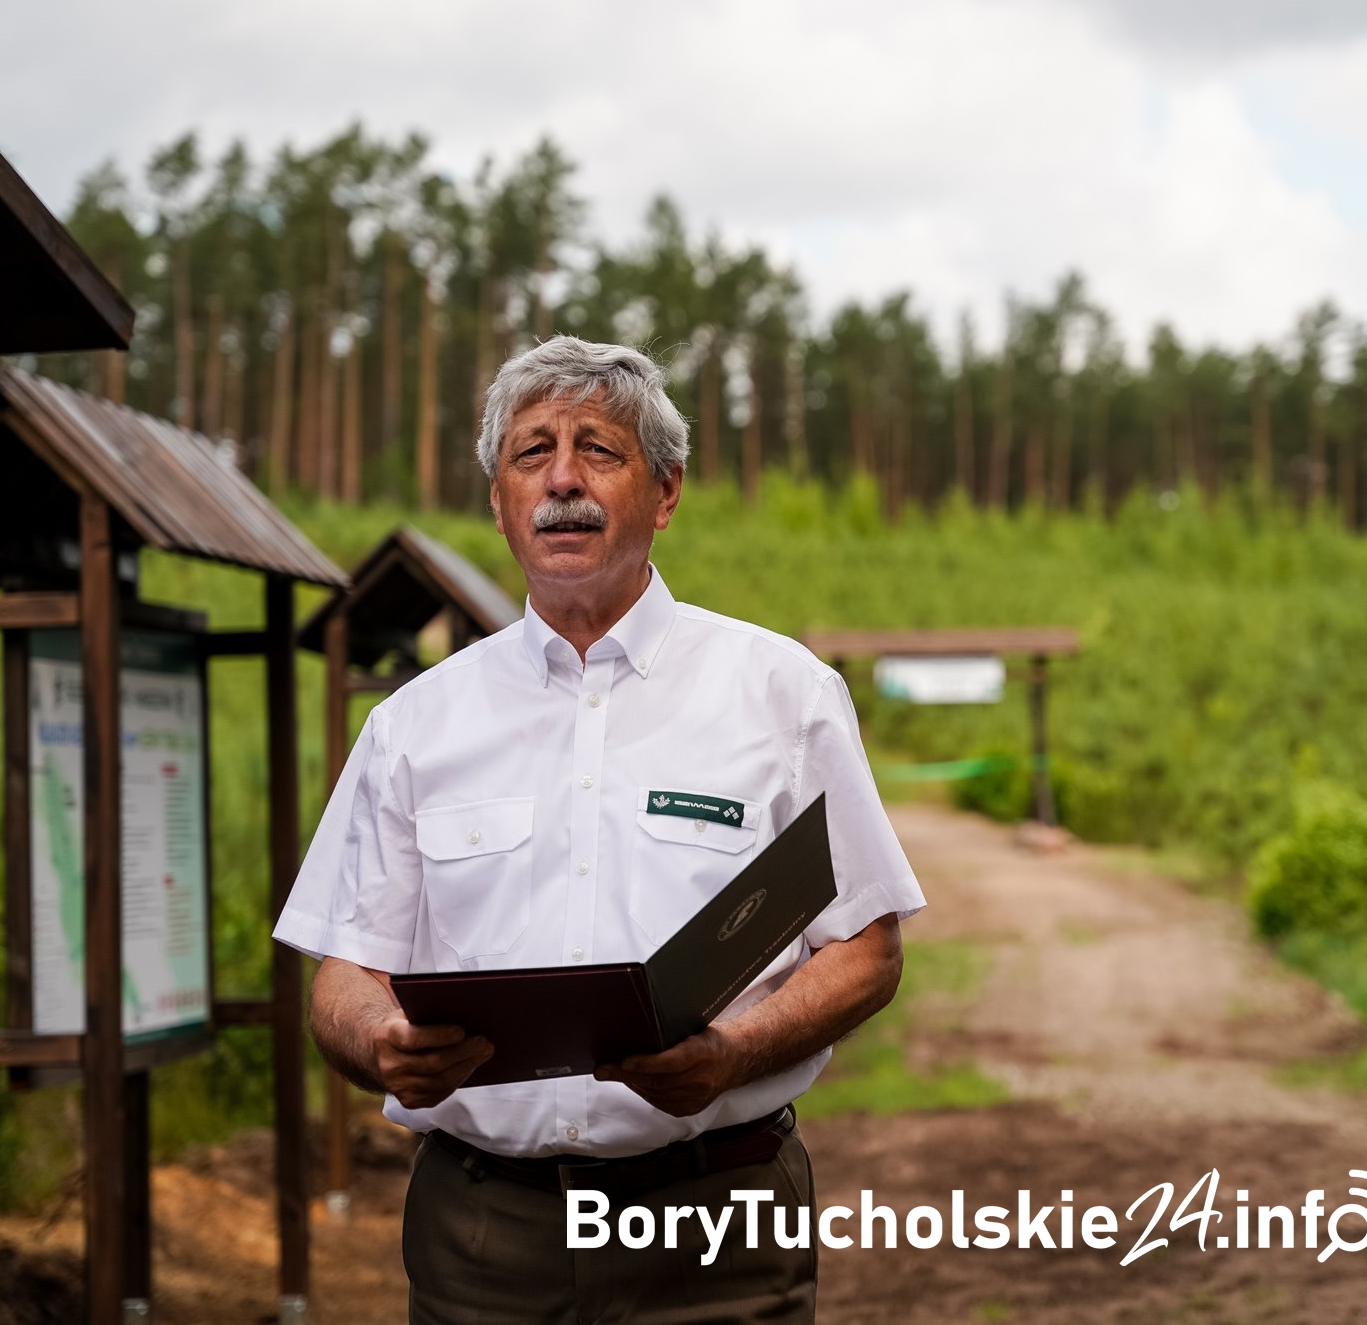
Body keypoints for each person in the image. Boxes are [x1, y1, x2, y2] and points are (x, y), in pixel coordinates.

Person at [274, 336, 924, 1324]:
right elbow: (342, 975)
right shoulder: (413, 725)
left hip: (716, 1226)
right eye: (531, 453)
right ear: (499, 501)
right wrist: (380, 1041)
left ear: (665, 492)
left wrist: (734, 1051)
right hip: (484, 1235)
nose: (563, 480)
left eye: (599, 451)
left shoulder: (782, 695)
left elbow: (867, 949)